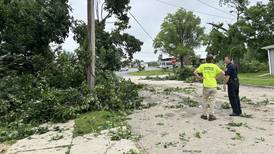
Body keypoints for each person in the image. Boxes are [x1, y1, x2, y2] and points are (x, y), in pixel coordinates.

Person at [194, 54, 225, 121]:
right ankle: (211, 115)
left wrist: (200, 77)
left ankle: (204, 115)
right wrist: (216, 78)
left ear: (206, 59)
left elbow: (195, 72)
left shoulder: (203, 66)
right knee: (212, 101)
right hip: (213, 85)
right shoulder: (214, 66)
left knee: (205, 100)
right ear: (212, 60)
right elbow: (223, 73)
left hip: (206, 85)